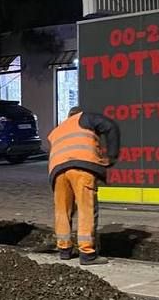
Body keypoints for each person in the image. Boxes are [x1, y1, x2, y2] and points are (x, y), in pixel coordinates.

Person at [46, 105, 121, 265]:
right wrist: (112, 156)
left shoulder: (57, 130)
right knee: (86, 208)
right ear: (78, 113)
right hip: (82, 167)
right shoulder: (85, 118)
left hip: (58, 171)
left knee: (62, 211)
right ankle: (87, 253)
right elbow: (110, 126)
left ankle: (64, 250)